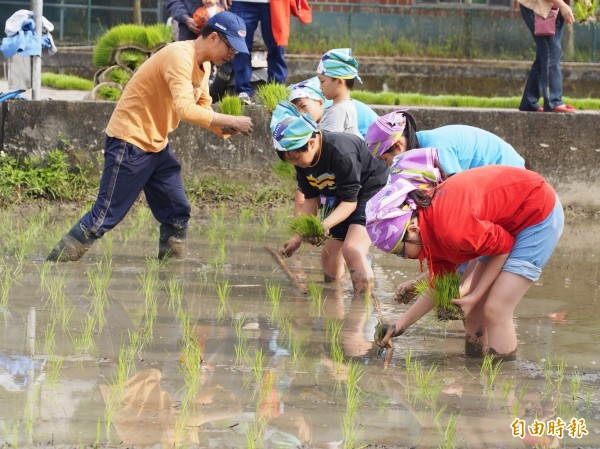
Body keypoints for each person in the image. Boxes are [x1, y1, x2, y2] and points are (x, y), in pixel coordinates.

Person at [46, 12, 253, 263]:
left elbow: (203, 105)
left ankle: (170, 271)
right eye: (231, 47)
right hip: (129, 140)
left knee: (177, 210)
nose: (233, 55)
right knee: (105, 215)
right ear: (212, 37)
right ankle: (53, 267)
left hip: (156, 144)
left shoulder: (205, 65)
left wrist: (223, 129)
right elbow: (184, 109)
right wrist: (229, 120)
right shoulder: (179, 56)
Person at [366, 160, 564, 360]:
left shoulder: (450, 228)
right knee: (474, 312)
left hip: (537, 213)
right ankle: (475, 367)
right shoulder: (429, 229)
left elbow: (503, 247)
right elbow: (440, 284)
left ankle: (504, 381)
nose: (405, 258)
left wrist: (475, 295)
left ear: (413, 230)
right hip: (503, 222)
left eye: (401, 251)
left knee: (496, 308)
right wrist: (400, 325)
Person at [366, 110, 527, 301]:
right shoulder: (421, 156)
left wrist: (424, 283)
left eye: (386, 160)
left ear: (399, 145)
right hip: (490, 191)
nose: (390, 165)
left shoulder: (436, 150)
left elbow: (461, 213)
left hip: (510, 183)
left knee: (470, 253)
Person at [270, 101, 389, 293]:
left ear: (311, 142)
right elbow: (311, 200)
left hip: (372, 190)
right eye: (289, 160)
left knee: (352, 249)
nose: (294, 164)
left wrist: (324, 225)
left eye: (295, 158)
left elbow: (351, 203)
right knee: (329, 254)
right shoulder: (302, 162)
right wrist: (297, 237)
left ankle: (362, 305)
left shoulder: (341, 151)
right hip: (344, 195)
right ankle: (334, 299)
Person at [517, 0, 575, 112]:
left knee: (544, 55)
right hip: (538, 6)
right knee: (552, 51)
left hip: (554, 8)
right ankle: (554, 101)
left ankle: (528, 102)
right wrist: (562, 5)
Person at [228, 0, 287, 104]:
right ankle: (243, 92)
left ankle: (276, 91)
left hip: (275, 3)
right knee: (241, 47)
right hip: (241, 2)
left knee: (277, 45)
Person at [316, 48, 365, 139]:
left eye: (322, 81)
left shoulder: (339, 111)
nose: (320, 87)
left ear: (339, 82)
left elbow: (324, 146)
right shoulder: (345, 106)